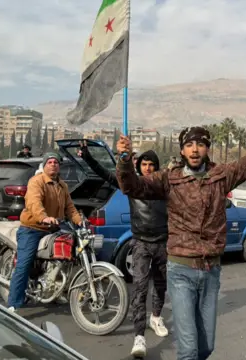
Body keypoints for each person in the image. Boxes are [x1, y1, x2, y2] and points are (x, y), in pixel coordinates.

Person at [115, 124, 246, 360]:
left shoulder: (221, 176)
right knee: (189, 351)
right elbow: (131, 186)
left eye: (200, 145)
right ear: (182, 151)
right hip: (180, 270)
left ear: (207, 149)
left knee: (206, 348)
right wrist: (123, 159)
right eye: (189, 145)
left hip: (210, 271)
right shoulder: (170, 179)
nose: (194, 150)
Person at [77, 140, 169, 358]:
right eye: (144, 164)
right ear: (139, 167)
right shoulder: (132, 185)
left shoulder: (164, 186)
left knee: (161, 285)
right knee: (139, 289)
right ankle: (139, 336)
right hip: (140, 244)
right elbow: (107, 175)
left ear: (156, 167)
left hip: (163, 243)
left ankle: (155, 317)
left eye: (151, 164)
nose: (148, 168)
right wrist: (88, 157)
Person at [7, 153, 82, 312]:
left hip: (54, 228)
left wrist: (79, 220)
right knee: (24, 264)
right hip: (33, 228)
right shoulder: (36, 181)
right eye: (50, 162)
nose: (53, 164)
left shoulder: (62, 185)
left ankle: (57, 288)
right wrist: (44, 217)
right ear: (44, 165)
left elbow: (69, 207)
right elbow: (34, 202)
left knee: (69, 255)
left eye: (56, 162)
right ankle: (13, 304)